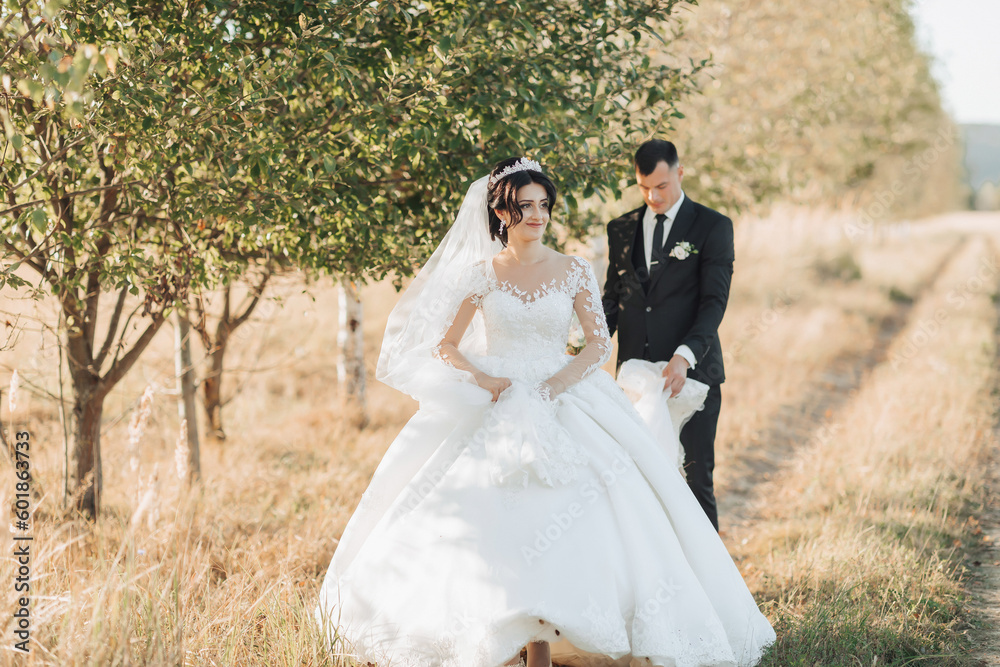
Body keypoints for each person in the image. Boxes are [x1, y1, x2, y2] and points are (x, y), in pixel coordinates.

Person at [315, 157, 773, 667]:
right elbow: (446, 345)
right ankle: (503, 633)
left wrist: (558, 382)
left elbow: (598, 345)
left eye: (543, 206)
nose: (537, 215)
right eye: (525, 206)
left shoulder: (573, 267)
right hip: (499, 395)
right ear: (502, 211)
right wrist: (487, 379)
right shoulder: (481, 274)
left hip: (565, 394)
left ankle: (568, 631)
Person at [602, 139, 734, 531]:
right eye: (644, 187)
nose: (652, 196)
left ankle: (709, 583)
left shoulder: (713, 226)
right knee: (636, 478)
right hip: (634, 379)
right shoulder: (621, 228)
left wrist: (685, 355)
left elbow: (714, 302)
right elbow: (614, 298)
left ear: (679, 173)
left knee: (694, 480)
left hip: (690, 378)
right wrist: (587, 345)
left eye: (661, 186)